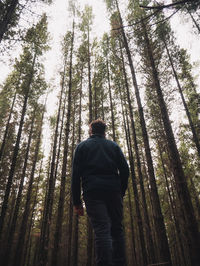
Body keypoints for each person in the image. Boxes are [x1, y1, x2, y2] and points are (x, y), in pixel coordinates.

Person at [71, 119, 129, 266]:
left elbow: (75, 175)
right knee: (116, 229)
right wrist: (120, 191)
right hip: (113, 191)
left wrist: (77, 202)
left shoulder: (82, 147)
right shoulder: (113, 146)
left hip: (93, 192)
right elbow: (125, 170)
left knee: (102, 229)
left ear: (91, 131)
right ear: (104, 132)